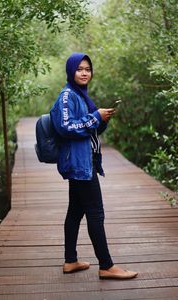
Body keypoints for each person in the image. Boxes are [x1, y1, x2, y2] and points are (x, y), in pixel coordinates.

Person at [50, 52, 138, 279]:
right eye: (79, 68)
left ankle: (70, 261)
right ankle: (107, 266)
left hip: (84, 162)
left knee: (75, 212)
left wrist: (101, 119)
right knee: (96, 214)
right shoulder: (68, 96)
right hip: (79, 164)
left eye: (87, 69)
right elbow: (66, 127)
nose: (84, 72)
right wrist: (95, 117)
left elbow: (89, 130)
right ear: (71, 71)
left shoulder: (80, 96)